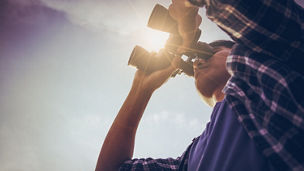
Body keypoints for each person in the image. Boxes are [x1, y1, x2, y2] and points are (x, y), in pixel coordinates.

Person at [96, 0, 304, 170]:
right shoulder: (191, 159)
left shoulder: (274, 62)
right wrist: (141, 89)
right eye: (194, 59)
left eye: (211, 50)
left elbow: (264, 13)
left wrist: (186, 12)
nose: (196, 61)